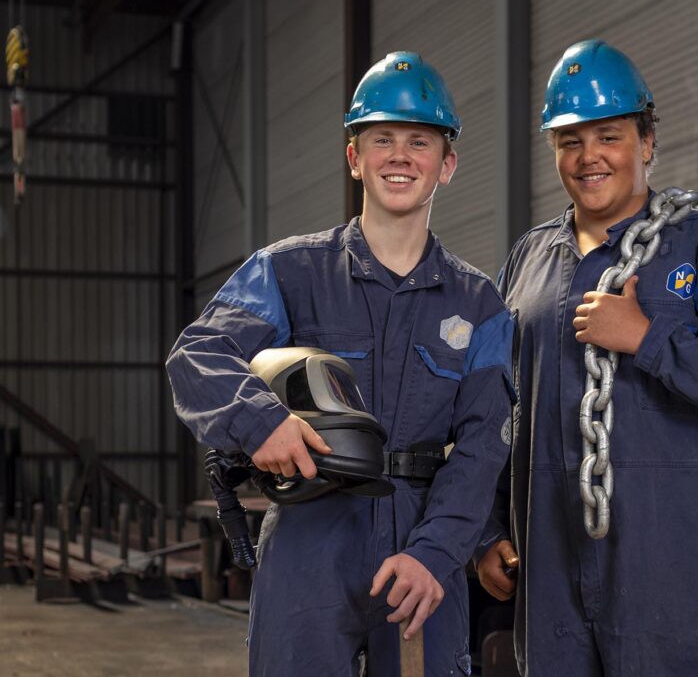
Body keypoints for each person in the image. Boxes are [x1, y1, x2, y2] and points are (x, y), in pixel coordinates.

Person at [167, 51, 514, 677]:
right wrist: (259, 423)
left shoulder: (479, 304)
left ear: (448, 164)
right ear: (354, 157)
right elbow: (197, 356)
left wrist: (435, 554)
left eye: (419, 141)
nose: (400, 156)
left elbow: (484, 446)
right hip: (309, 537)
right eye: (381, 139)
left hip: (419, 545)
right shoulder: (290, 272)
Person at [475, 39, 698, 675]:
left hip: (676, 580)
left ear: (646, 142)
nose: (589, 156)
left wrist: (649, 338)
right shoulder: (528, 261)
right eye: (570, 140)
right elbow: (495, 407)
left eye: (609, 136)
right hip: (552, 581)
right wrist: (488, 532)